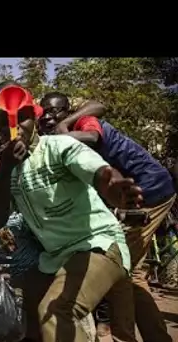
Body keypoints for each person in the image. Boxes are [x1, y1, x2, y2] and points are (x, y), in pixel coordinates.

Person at [0, 84, 142, 342]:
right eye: (4, 121)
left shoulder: (58, 147)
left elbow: (99, 172)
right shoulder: (8, 166)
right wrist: (4, 170)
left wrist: (114, 187)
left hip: (98, 245)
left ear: (35, 119)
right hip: (55, 259)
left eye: (21, 117)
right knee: (15, 303)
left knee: (57, 311)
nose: (13, 126)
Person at [39, 91, 177, 342]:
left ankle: (123, 337)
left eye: (55, 111)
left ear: (67, 111)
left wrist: (63, 134)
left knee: (116, 263)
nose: (49, 116)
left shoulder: (83, 123)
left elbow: (92, 134)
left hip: (149, 190)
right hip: (144, 190)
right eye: (44, 112)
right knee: (133, 273)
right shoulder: (63, 128)